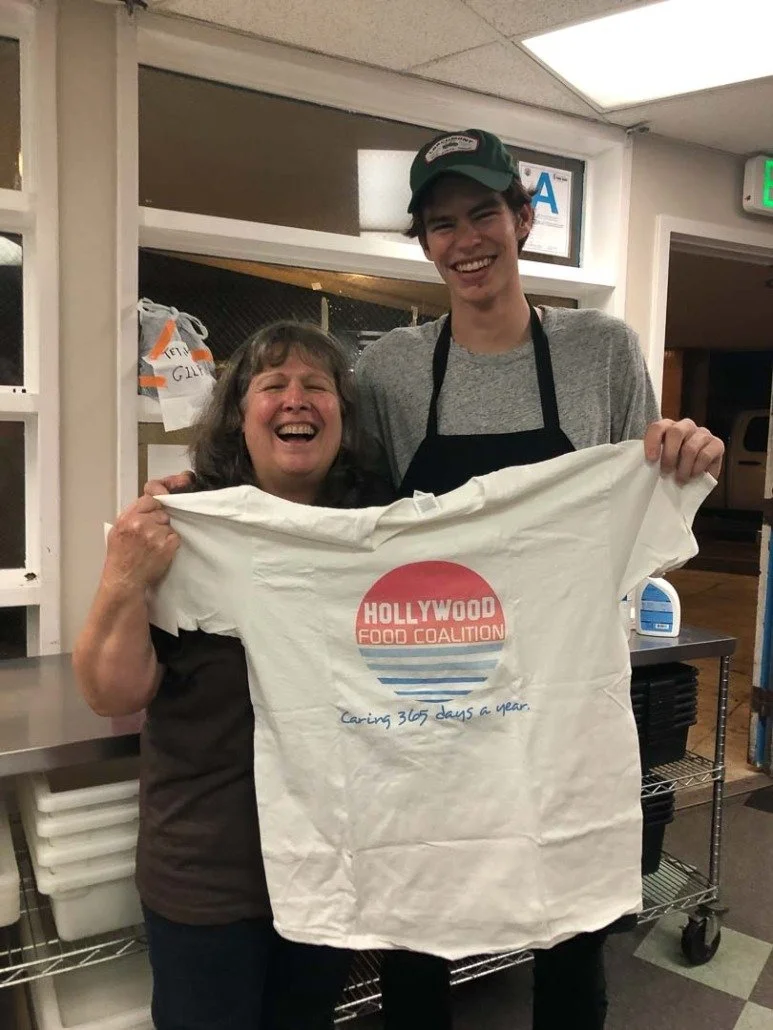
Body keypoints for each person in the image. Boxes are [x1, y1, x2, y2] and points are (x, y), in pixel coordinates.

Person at [146, 130, 724, 1029]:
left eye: (483, 213)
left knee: (571, 940)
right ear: (423, 243)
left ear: (522, 219)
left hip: (553, 698)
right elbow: (353, 513)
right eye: (441, 223)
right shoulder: (389, 370)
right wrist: (213, 501)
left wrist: (683, 457)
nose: (465, 239)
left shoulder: (599, 350)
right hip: (419, 687)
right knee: (417, 933)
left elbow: (643, 507)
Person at [73, 322, 393, 1030]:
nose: (295, 400)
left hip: (329, 862)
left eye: (317, 386)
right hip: (208, 875)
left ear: (343, 411)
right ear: (238, 415)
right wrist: (124, 577)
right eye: (272, 385)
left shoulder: (375, 539)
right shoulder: (183, 527)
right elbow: (109, 693)